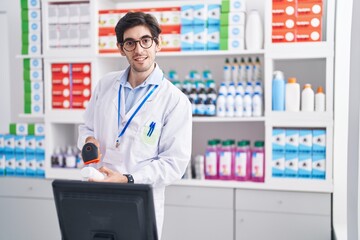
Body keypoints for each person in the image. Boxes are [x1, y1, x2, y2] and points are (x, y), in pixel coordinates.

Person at [77, 12, 192, 238]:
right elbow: (86, 127)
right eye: (130, 43)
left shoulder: (175, 100)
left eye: (146, 41)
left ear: (158, 44)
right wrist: (88, 140)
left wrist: (128, 179)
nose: (139, 50)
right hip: (99, 191)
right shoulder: (105, 85)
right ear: (121, 48)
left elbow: (173, 164)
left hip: (140, 198)